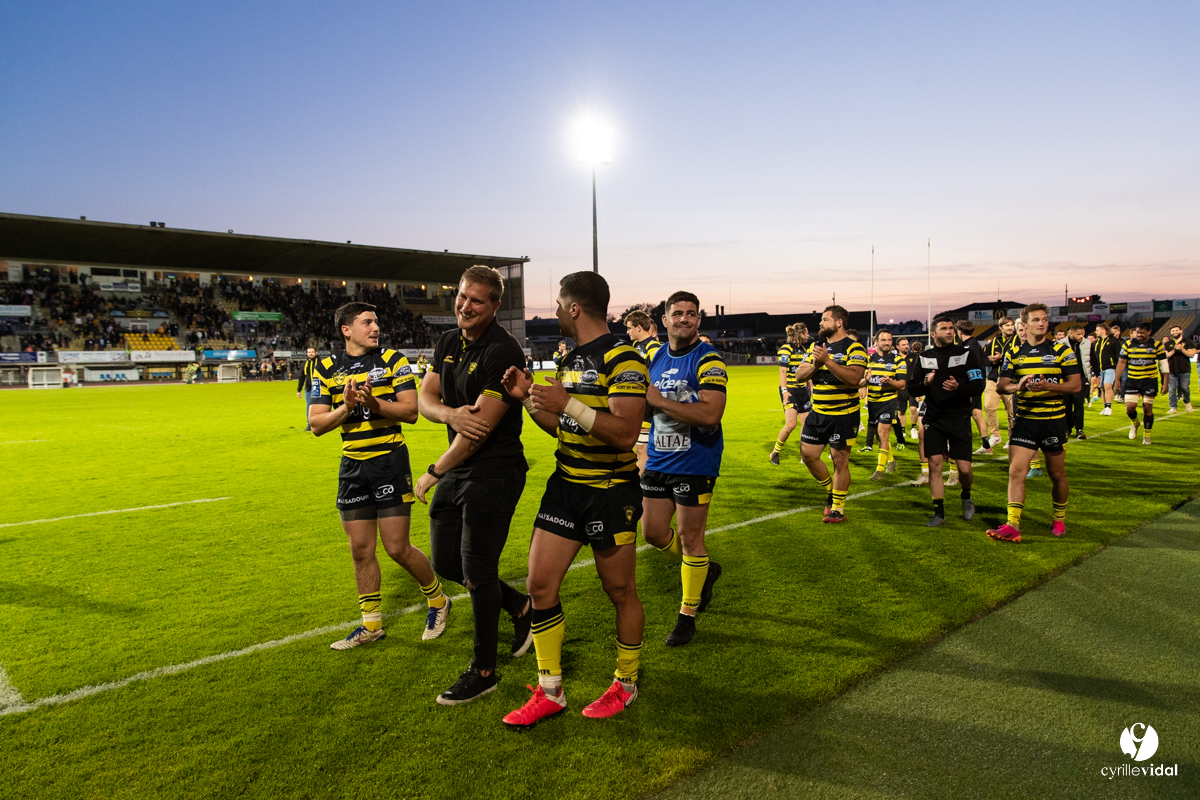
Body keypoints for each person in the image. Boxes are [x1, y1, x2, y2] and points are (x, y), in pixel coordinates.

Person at [499, 271, 648, 726]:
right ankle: (550, 690)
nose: (556, 312)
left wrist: (568, 404)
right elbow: (564, 429)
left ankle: (625, 682)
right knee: (540, 585)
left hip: (609, 491)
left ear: (575, 308)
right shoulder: (569, 361)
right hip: (566, 487)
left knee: (619, 590)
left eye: (560, 305)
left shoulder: (625, 361)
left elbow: (624, 434)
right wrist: (529, 400)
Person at [413, 266, 534, 706]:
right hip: (459, 468)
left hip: (494, 471)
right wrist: (448, 414)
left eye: (476, 301)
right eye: (462, 297)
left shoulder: (504, 350)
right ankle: (522, 608)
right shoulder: (447, 341)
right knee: (447, 561)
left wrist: (434, 470)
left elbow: (478, 429)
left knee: (477, 570)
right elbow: (425, 399)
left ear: (494, 306)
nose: (465, 306)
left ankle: (484, 671)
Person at [309, 302, 451, 650]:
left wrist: (373, 405)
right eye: (367, 322)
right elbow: (316, 424)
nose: (375, 328)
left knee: (397, 548)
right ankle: (371, 625)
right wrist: (347, 406)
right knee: (360, 549)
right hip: (352, 467)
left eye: (376, 321)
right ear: (346, 329)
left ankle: (438, 601)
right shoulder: (326, 367)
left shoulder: (393, 360)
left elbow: (411, 411)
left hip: (389, 461)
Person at [639, 291, 728, 647]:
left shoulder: (709, 360)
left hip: (695, 461)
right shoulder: (655, 356)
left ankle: (687, 616)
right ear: (665, 320)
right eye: (677, 313)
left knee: (691, 539)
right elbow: (646, 406)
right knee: (653, 533)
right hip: (659, 457)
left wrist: (660, 401)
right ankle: (706, 570)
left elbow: (710, 414)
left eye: (691, 314)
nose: (684, 319)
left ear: (698, 320)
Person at [986, 303, 1081, 543]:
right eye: (1036, 319)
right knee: (1016, 471)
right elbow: (1001, 385)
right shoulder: (1014, 353)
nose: (1042, 323)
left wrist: (1049, 386)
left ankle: (1059, 519)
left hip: (1053, 421)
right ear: (1024, 325)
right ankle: (1012, 524)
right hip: (1025, 421)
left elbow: (1076, 385)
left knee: (1056, 474)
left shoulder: (1062, 351)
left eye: (1044, 319)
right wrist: (1019, 385)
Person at [792, 305, 868, 523]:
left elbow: (854, 379)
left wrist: (827, 361)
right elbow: (799, 375)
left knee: (839, 460)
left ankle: (837, 509)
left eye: (824, 320)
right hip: (818, 412)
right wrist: (817, 364)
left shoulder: (855, 349)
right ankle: (830, 490)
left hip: (843, 414)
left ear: (839, 322)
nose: (820, 323)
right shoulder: (817, 347)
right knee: (808, 455)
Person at [909, 317, 986, 525]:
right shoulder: (924, 357)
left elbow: (978, 385)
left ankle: (966, 495)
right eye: (944, 328)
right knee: (935, 465)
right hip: (934, 417)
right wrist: (924, 384)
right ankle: (939, 513)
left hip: (959, 416)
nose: (950, 331)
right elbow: (913, 388)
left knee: (965, 469)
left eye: (951, 328)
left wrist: (958, 387)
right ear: (933, 334)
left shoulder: (966, 354)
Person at [1114, 321, 1169, 445]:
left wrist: (1165, 383)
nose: (1139, 335)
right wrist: (1117, 379)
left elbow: (1163, 364)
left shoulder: (1156, 345)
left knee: (1147, 407)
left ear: (1149, 332)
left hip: (1149, 380)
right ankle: (1135, 423)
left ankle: (1147, 436)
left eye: (1142, 333)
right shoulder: (1128, 344)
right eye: (1137, 332)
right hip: (1132, 380)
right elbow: (1122, 362)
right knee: (1129, 408)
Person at [863, 330, 907, 480]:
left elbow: (901, 385)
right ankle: (891, 461)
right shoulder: (869, 359)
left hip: (889, 401)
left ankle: (879, 470)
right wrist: (864, 384)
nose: (887, 343)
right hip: (873, 402)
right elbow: (863, 379)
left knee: (883, 434)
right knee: (878, 436)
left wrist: (890, 382)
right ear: (876, 342)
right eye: (883, 340)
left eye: (889, 340)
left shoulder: (898, 360)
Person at [624, 310, 662, 474]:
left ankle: (643, 491)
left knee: (642, 450)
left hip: (647, 411)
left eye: (629, 328)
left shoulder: (654, 348)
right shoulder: (633, 347)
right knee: (636, 450)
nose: (627, 332)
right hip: (635, 408)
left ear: (639, 327)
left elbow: (660, 380)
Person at [955, 320, 992, 454]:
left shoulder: (970, 346)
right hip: (975, 383)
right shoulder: (971, 344)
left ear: (959, 331)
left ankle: (966, 444)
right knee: (976, 412)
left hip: (972, 384)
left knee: (966, 413)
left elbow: (973, 366)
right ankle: (986, 445)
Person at [770, 324, 803, 465]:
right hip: (790, 389)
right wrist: (784, 391)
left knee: (807, 425)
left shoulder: (805, 349)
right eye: (806, 332)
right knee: (791, 424)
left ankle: (805, 455)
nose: (808, 335)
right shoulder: (786, 349)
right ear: (800, 334)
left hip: (802, 390)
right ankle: (775, 452)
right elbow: (782, 372)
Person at [984, 317, 1018, 449]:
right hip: (994, 379)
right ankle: (995, 435)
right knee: (989, 407)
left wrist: (1001, 357)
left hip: (1011, 380)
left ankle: (1011, 438)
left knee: (1011, 412)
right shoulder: (993, 342)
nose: (1010, 327)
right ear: (1000, 327)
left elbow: (1018, 358)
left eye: (1012, 325)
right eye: (1007, 325)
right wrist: (992, 361)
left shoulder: (1018, 340)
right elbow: (985, 360)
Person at [1065, 324, 1088, 439]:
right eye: (1079, 334)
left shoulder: (1087, 343)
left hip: (1081, 377)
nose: (1081, 336)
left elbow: (1092, 357)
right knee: (1067, 404)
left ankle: (1079, 429)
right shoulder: (1061, 344)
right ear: (1071, 333)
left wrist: (1097, 375)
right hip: (1066, 378)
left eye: (1083, 334)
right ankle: (1067, 428)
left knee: (1079, 404)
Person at [1166, 325, 1197, 413]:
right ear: (1171, 333)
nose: (1174, 332)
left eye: (1176, 330)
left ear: (1181, 331)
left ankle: (1187, 402)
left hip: (1184, 369)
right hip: (1171, 370)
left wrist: (1182, 349)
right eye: (1173, 331)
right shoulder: (1168, 343)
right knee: (1172, 389)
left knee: (1184, 388)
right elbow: (1165, 356)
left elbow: (1191, 355)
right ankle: (1173, 407)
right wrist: (1174, 350)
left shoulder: (1188, 342)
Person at [1091, 323, 1119, 415]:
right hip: (1099, 369)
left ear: (1103, 330)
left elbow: (1118, 356)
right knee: (1102, 388)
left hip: (1110, 368)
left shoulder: (1114, 341)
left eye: (1097, 330)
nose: (1096, 332)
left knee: (1108, 386)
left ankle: (1109, 407)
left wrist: (1117, 368)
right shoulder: (1096, 343)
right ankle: (1105, 407)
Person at [296, 346, 319, 431]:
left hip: (320, 388)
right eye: (309, 352)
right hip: (309, 388)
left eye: (312, 352)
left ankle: (324, 422)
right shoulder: (304, 364)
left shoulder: (321, 363)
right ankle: (309, 424)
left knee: (322, 405)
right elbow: (301, 377)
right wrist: (299, 390)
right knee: (309, 406)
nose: (310, 354)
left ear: (316, 353)